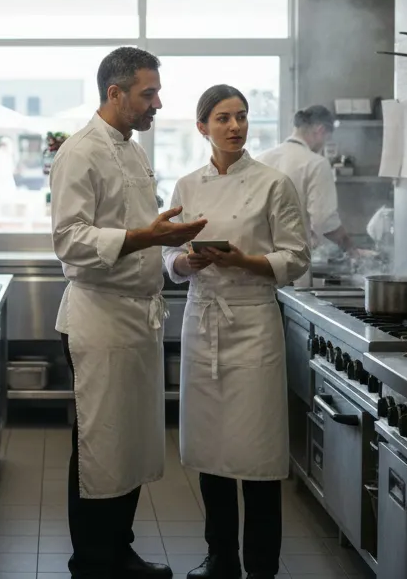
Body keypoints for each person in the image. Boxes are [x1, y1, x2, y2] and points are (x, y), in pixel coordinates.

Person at [50, 46, 207, 579]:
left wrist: (174, 249)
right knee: (100, 446)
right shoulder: (80, 152)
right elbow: (69, 241)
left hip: (138, 319)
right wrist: (148, 235)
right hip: (100, 320)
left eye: (157, 92)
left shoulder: (133, 150)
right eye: (148, 93)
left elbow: (141, 234)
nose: (157, 103)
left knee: (131, 445)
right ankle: (93, 561)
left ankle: (119, 549)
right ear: (114, 93)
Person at [163, 85, 311, 579]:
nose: (235, 126)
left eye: (242, 117)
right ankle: (221, 558)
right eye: (223, 118)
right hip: (203, 320)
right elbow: (166, 256)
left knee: (259, 454)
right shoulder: (186, 186)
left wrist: (243, 260)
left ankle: (262, 567)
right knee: (211, 453)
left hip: (253, 324)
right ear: (202, 127)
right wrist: (185, 259)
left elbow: (295, 257)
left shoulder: (274, 183)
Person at [256, 104, 354, 284]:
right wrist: (351, 248)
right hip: (291, 269)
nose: (324, 145)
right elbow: (325, 220)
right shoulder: (316, 163)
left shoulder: (261, 159)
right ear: (320, 130)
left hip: (257, 264)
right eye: (326, 138)